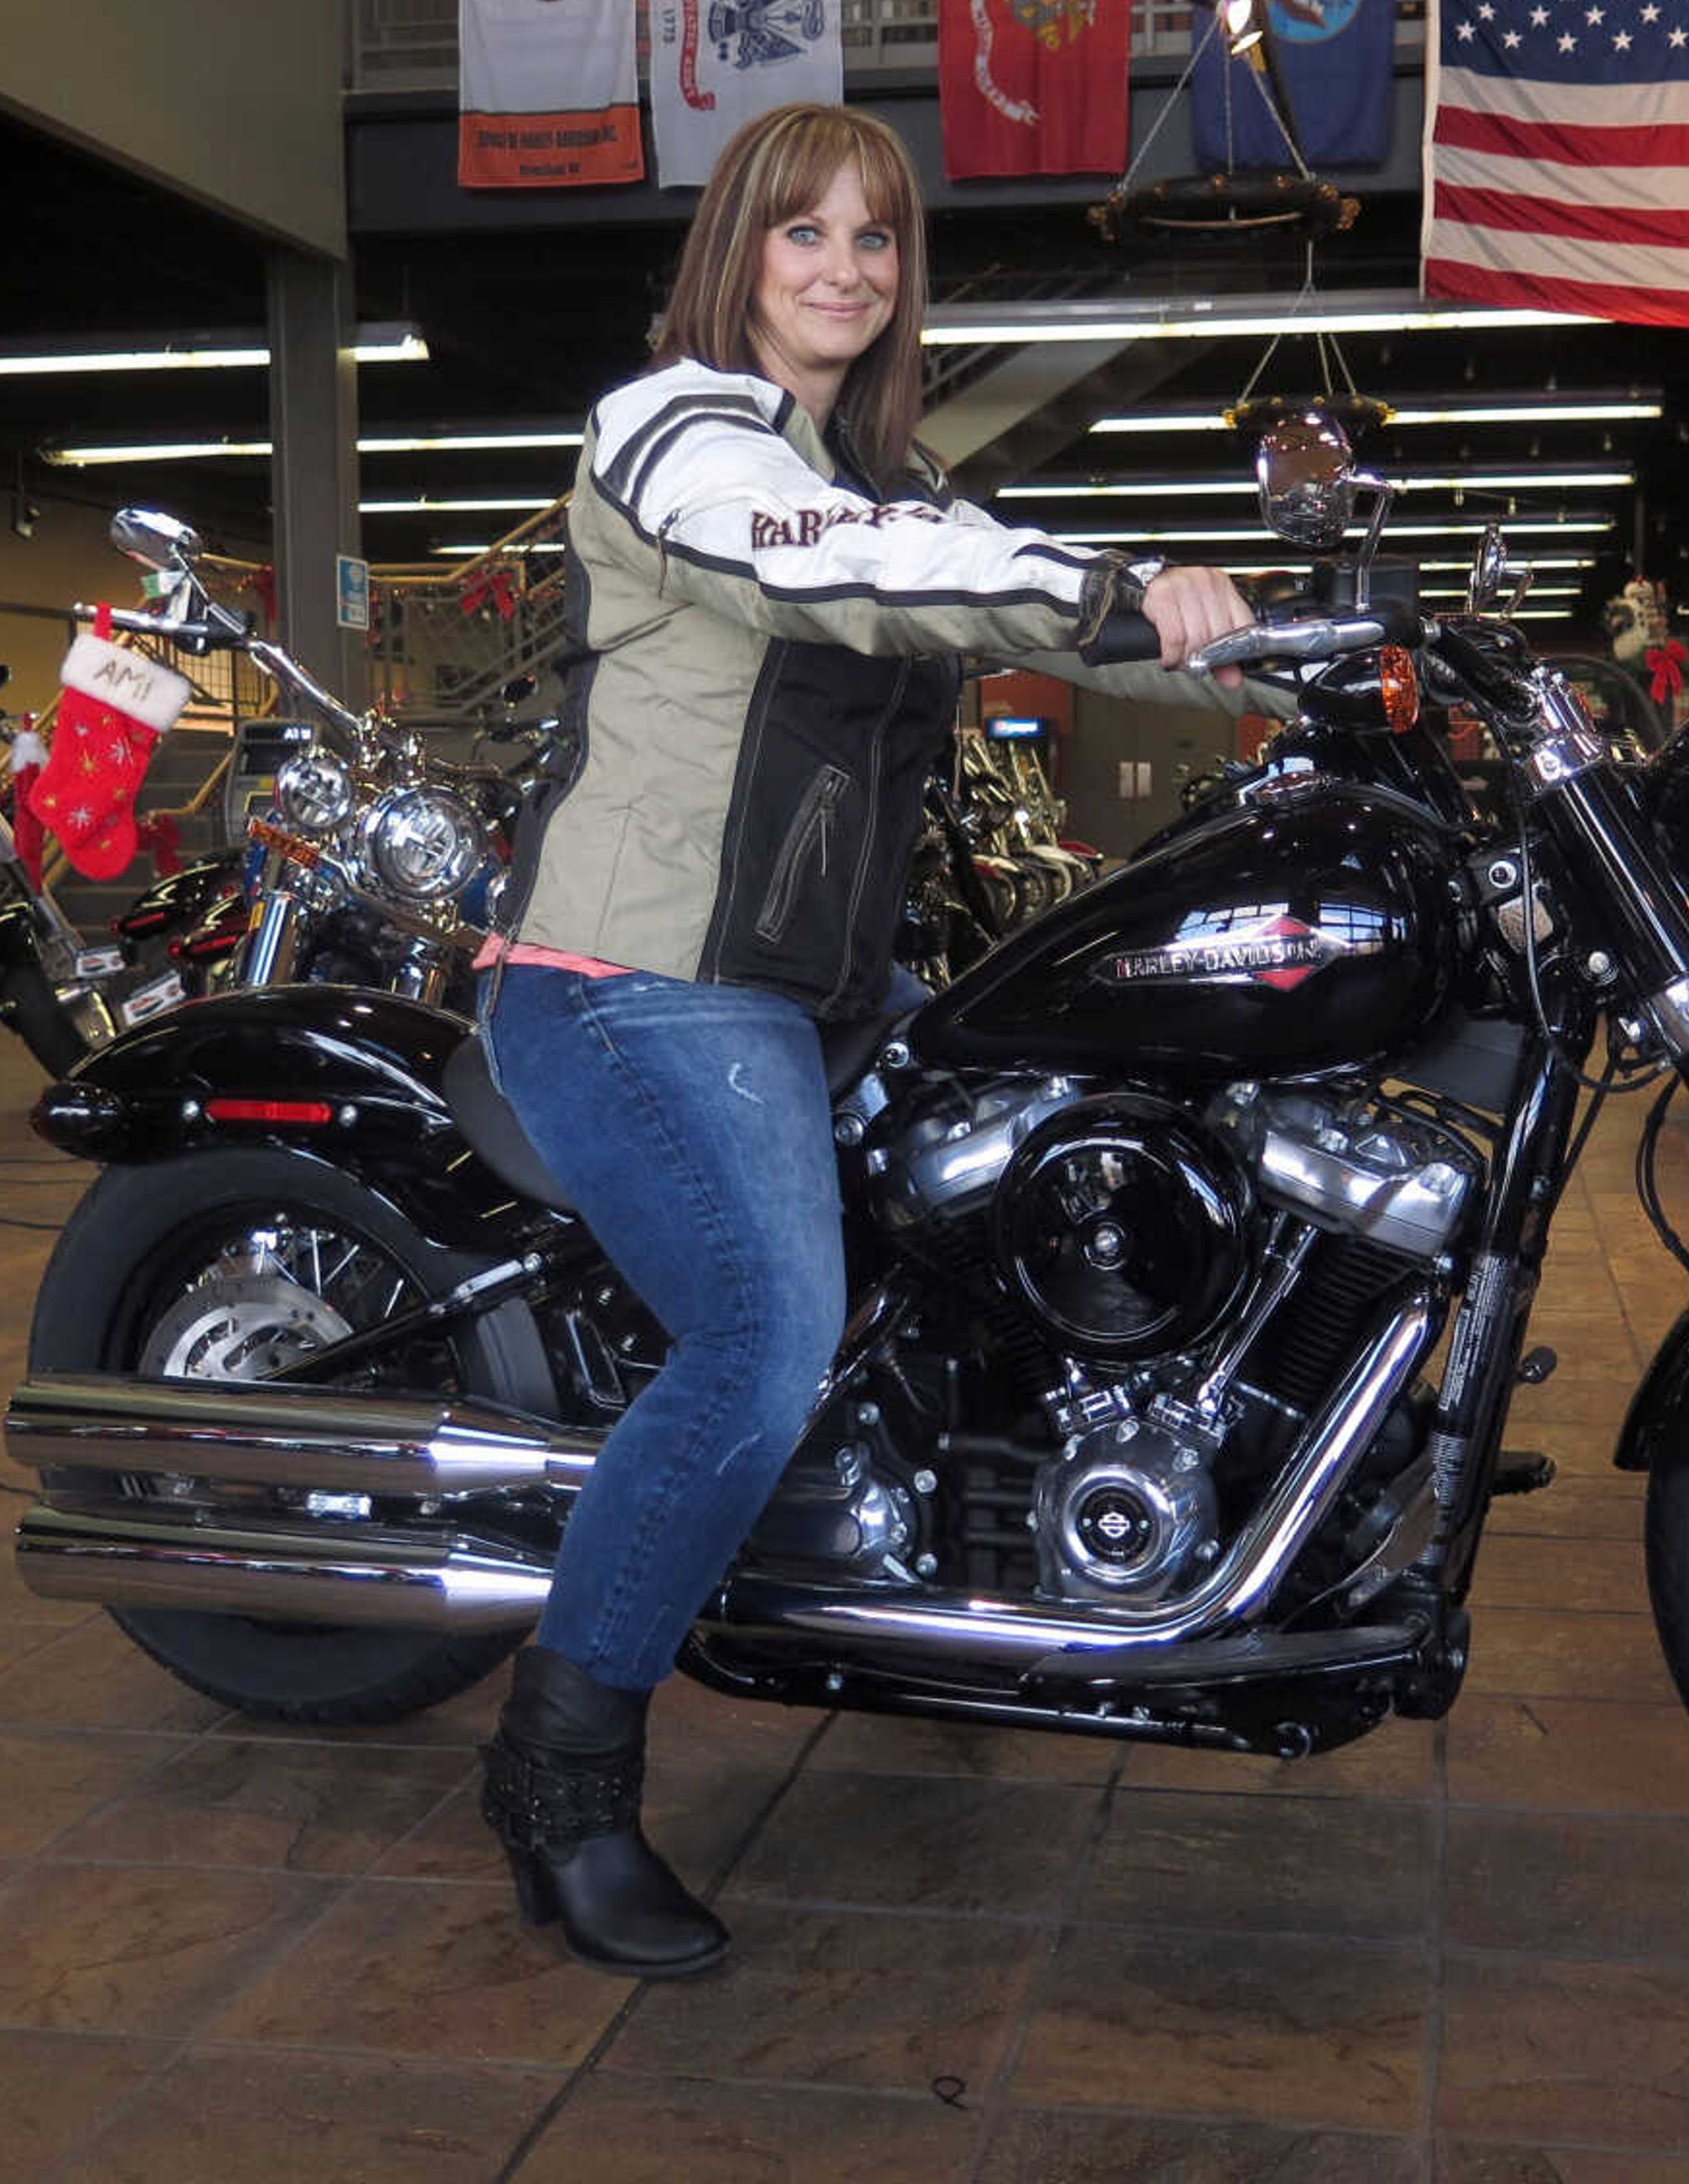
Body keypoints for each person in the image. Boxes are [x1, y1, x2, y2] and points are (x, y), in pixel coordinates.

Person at [472, 101, 1255, 1978]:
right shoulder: (673, 430)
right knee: (763, 1339)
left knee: (1051, 1147)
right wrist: (1103, 596)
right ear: (736, 248)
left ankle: (973, 1581)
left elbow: (991, 576)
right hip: (630, 976)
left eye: (878, 241)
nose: (843, 267)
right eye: (803, 231)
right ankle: (559, 1778)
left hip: (799, 991)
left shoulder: (871, 474)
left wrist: (1274, 644)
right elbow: (818, 561)